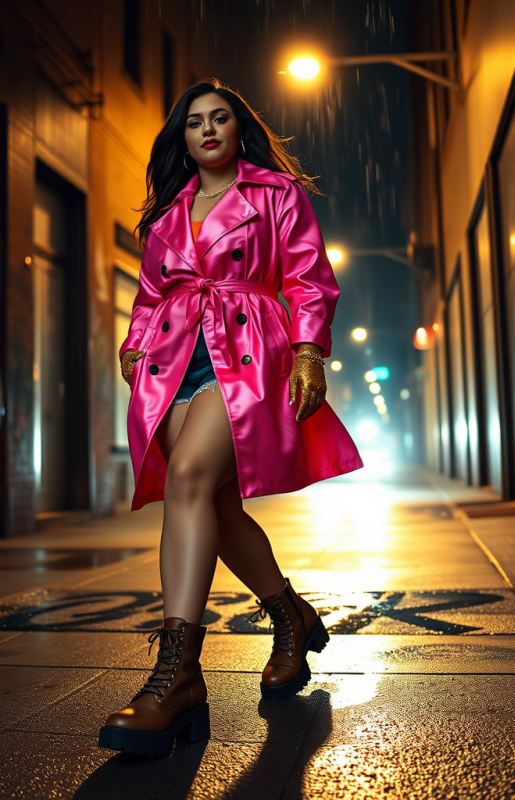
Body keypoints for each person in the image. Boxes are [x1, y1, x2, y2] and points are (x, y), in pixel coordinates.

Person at [98, 78, 363, 758]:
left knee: (186, 478)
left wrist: (309, 350)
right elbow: (149, 294)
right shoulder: (165, 216)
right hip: (175, 355)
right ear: (182, 138)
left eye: (220, 119)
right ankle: (292, 617)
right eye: (194, 123)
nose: (208, 131)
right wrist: (133, 345)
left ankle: (178, 676)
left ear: (239, 129)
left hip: (246, 350)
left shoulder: (276, 194)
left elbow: (308, 276)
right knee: (211, 503)